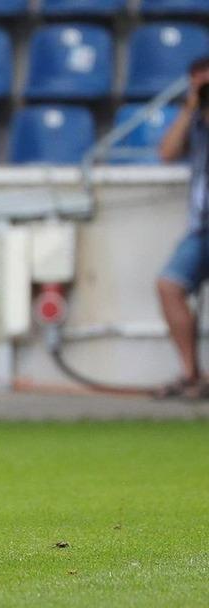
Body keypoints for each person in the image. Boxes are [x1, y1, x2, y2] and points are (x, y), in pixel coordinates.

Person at [155, 56, 209, 399]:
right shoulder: (196, 121)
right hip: (201, 227)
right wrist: (191, 107)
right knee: (169, 285)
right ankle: (191, 374)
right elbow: (167, 151)